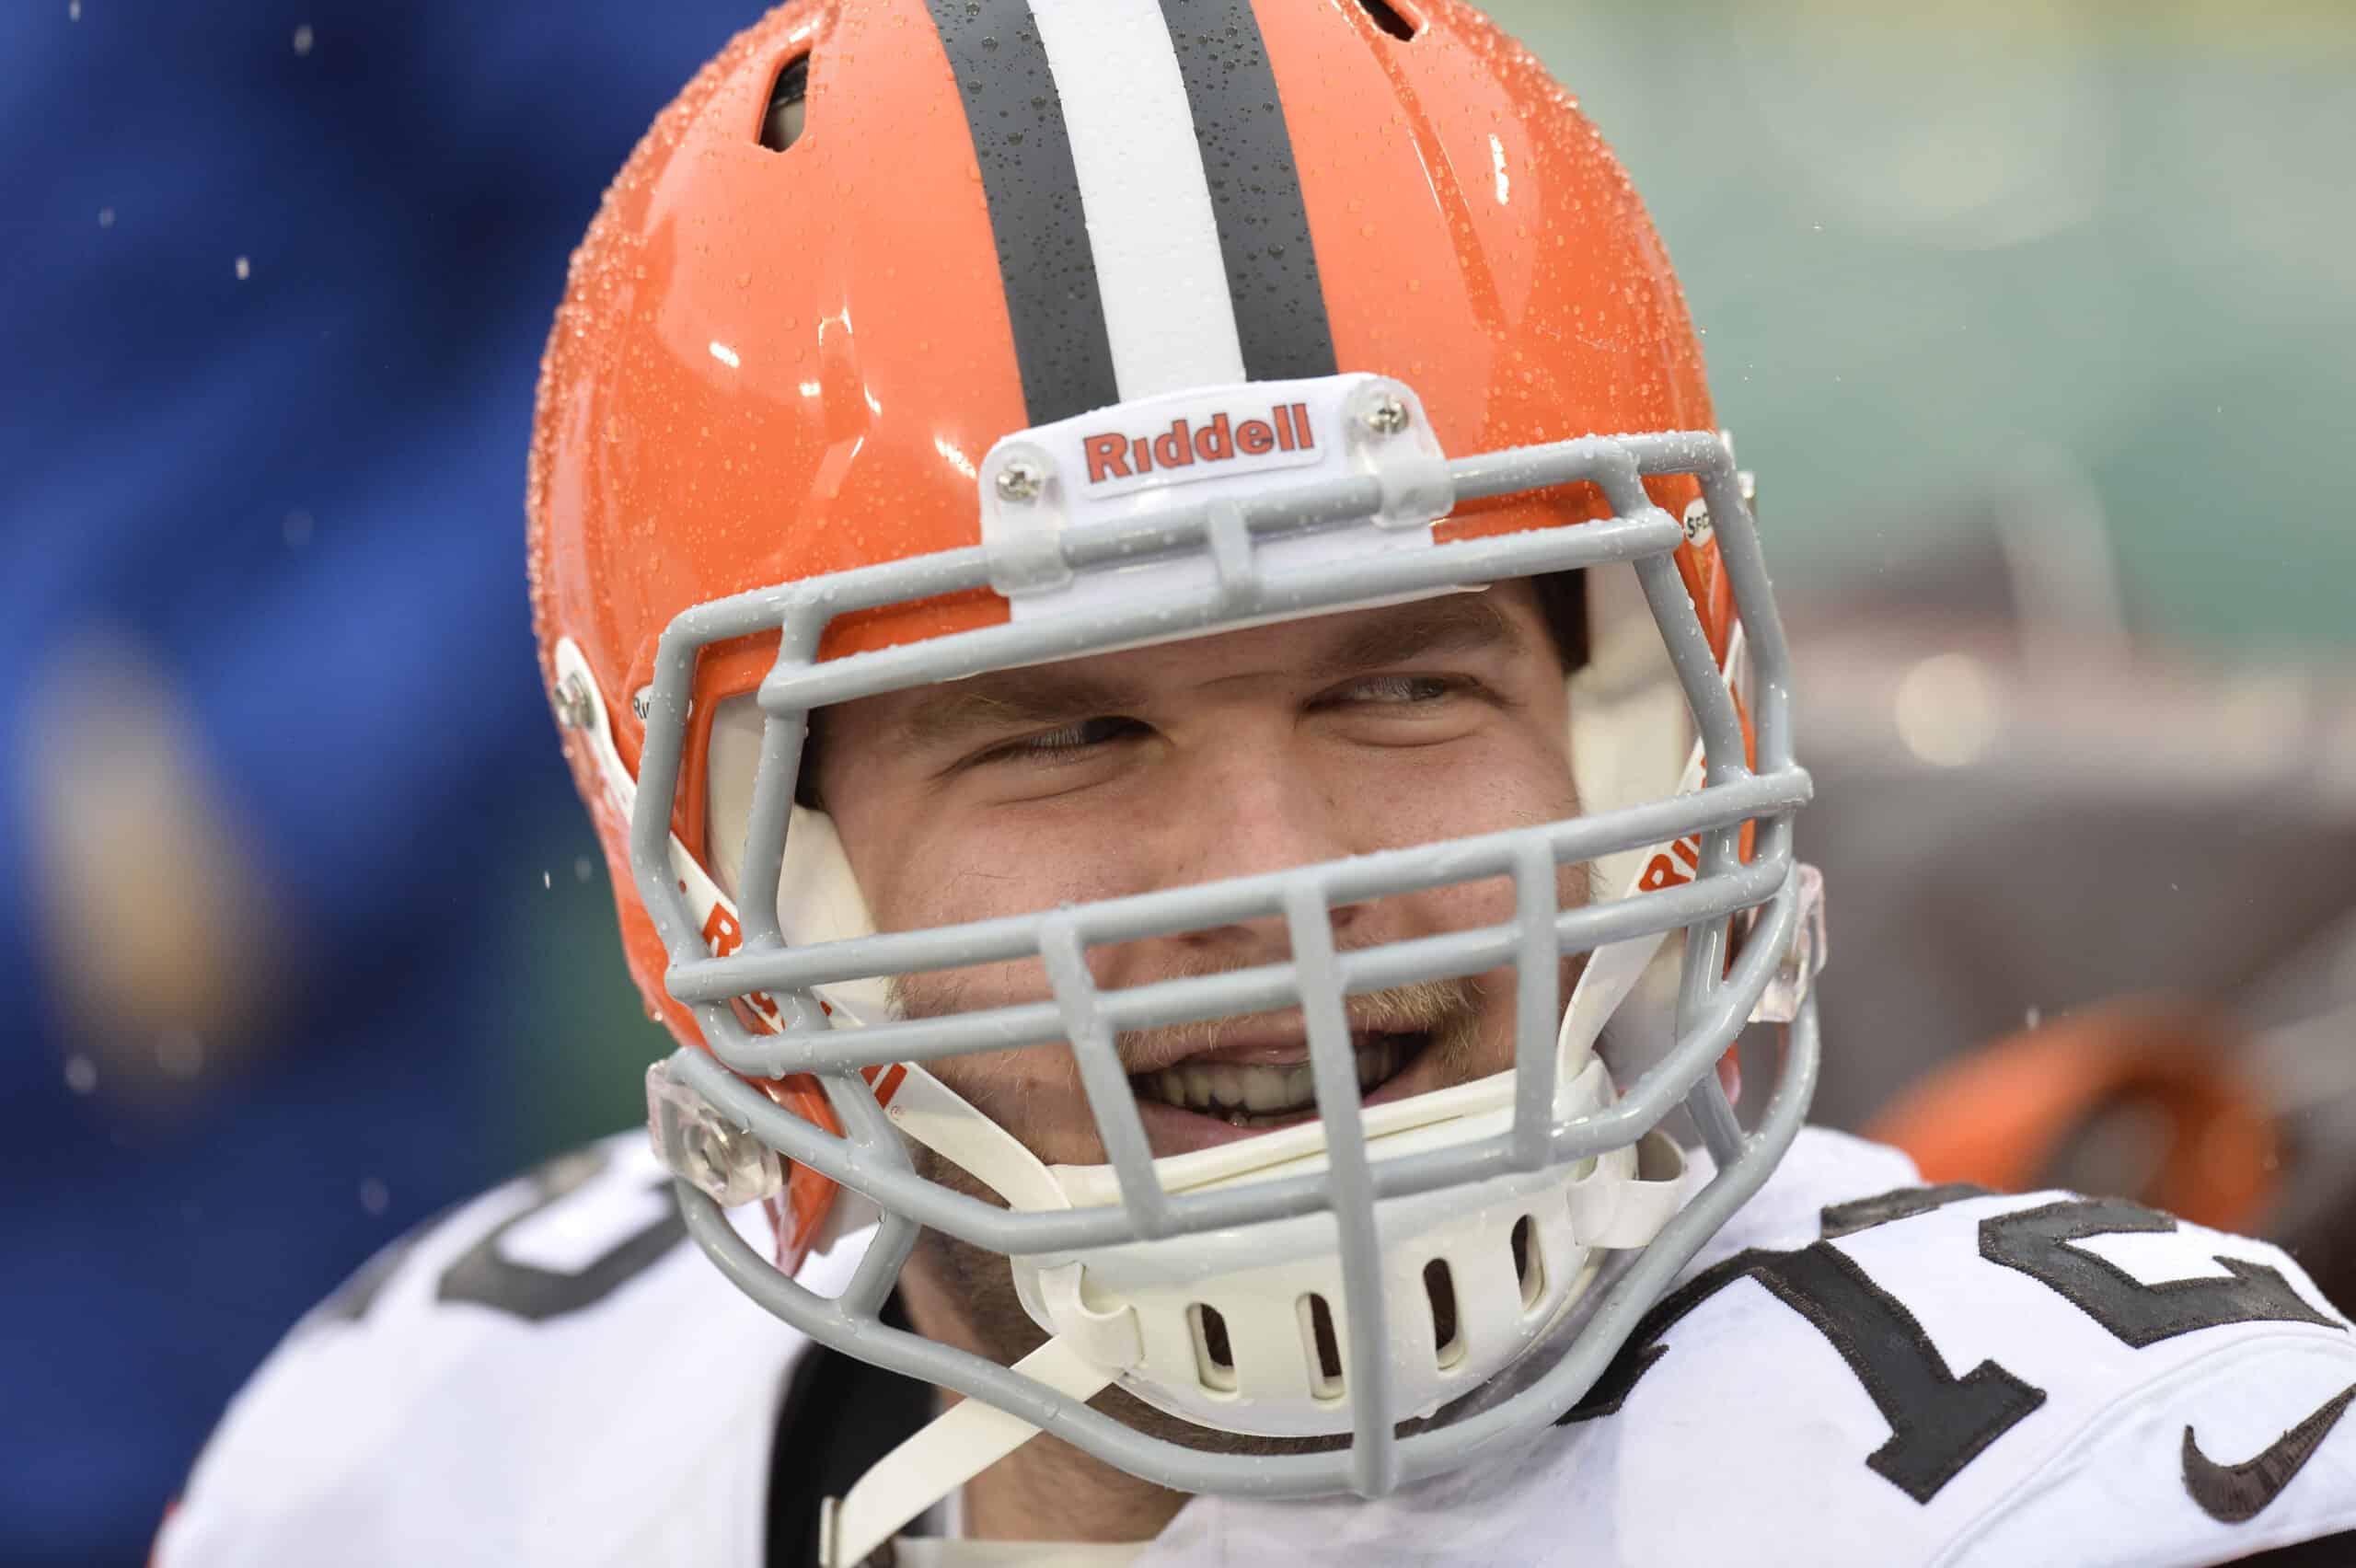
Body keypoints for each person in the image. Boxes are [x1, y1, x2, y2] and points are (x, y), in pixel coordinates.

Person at [155, 2, 2356, 1563]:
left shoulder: (2104, 1492)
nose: (1272, 869)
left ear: (1636, 722)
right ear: (754, 862)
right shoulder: (442, 1458)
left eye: (1396, 690)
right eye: (1067, 728)